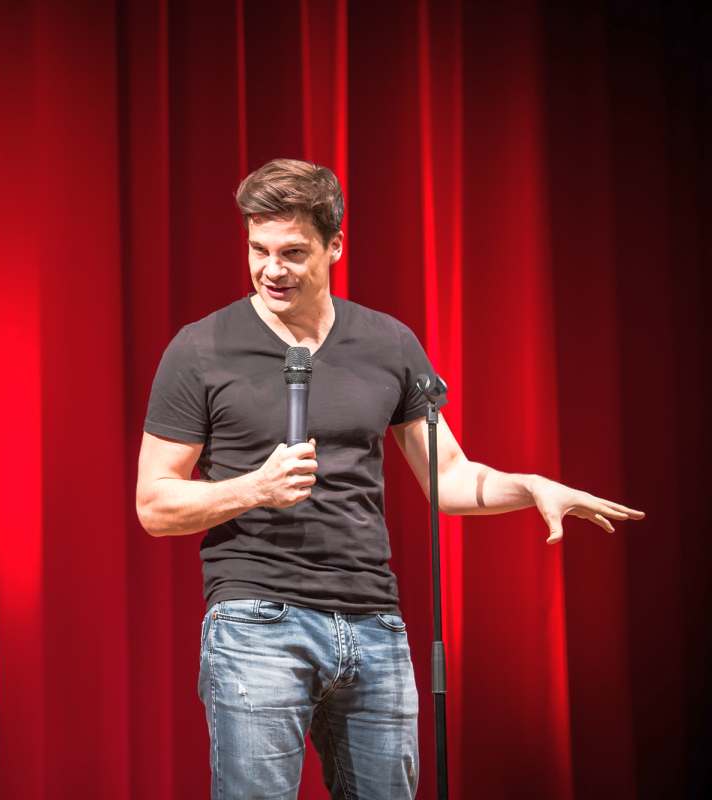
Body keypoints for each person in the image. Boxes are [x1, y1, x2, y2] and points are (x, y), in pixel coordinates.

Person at [134, 158, 645, 800]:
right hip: (257, 619)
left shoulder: (388, 343)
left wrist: (531, 487)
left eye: (293, 253)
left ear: (335, 245)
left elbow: (448, 477)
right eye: (258, 250)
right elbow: (155, 504)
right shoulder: (200, 348)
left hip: (374, 624)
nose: (272, 269)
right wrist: (255, 488)